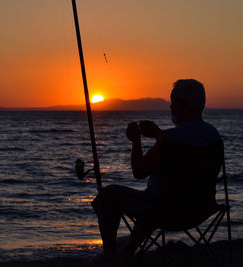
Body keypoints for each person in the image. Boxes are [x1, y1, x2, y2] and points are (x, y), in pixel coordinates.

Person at [91, 79, 223, 262]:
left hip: (167, 213)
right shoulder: (214, 137)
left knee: (108, 196)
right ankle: (128, 250)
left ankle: (109, 257)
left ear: (181, 104)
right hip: (200, 210)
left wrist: (136, 140)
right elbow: (184, 152)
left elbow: (138, 171)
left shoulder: (170, 139)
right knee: (155, 197)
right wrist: (158, 135)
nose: (170, 106)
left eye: (172, 101)